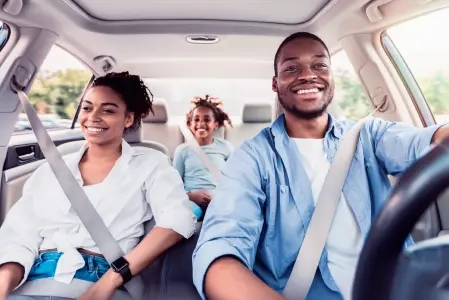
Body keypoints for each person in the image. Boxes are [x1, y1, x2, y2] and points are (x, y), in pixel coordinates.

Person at [192, 32, 449, 300]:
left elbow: (427, 141)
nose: (307, 75)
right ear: (275, 83)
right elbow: (219, 253)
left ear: (331, 77)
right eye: (291, 68)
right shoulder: (252, 157)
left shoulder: (370, 135)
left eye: (319, 65)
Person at [0, 72, 196, 300]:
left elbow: (178, 219)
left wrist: (110, 281)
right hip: (32, 280)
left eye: (108, 110)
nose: (93, 117)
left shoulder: (151, 164)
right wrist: (4, 284)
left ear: (128, 119)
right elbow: (19, 234)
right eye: (87, 108)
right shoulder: (50, 170)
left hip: (104, 279)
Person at [173, 95, 233, 220]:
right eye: (196, 119)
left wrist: (222, 197)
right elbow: (174, 186)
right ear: (190, 124)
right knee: (185, 217)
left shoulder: (226, 148)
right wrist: (191, 196)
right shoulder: (183, 150)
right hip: (192, 200)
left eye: (207, 120)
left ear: (215, 124)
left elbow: (235, 180)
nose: (201, 123)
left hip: (219, 200)